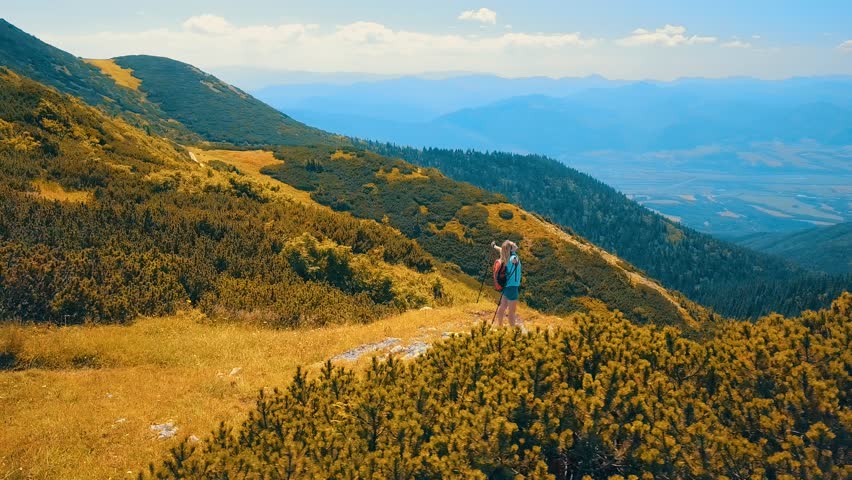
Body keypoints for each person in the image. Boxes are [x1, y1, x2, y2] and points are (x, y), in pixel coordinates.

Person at [492, 239, 522, 327]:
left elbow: (501, 249)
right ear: (511, 248)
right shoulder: (512, 257)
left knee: (502, 307)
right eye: (513, 244)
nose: (515, 244)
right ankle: (513, 332)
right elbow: (514, 260)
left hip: (506, 286)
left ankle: (500, 326)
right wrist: (514, 255)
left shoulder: (505, 255)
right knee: (512, 312)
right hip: (512, 287)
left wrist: (494, 246)